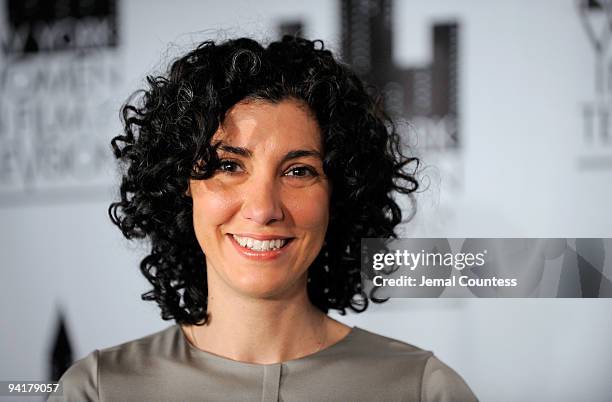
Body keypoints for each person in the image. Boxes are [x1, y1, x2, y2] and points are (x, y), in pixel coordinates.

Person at [50, 36, 478, 402]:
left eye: (298, 171)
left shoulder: (422, 390)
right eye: (229, 166)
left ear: (339, 193)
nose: (263, 208)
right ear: (182, 183)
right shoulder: (99, 390)